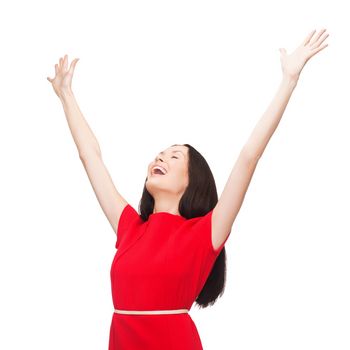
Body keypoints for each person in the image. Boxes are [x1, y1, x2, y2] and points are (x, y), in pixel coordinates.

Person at [47, 28, 329, 349]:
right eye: (160, 154)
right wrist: (66, 95)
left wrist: (289, 80)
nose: (161, 157)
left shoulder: (205, 233)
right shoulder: (129, 228)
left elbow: (249, 156)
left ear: (191, 180)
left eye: (174, 155)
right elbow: (90, 157)